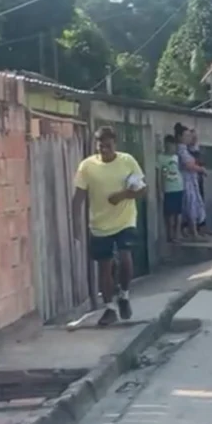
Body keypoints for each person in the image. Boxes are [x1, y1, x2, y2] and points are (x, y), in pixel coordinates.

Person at [71, 126, 146, 326]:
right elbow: (78, 197)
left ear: (115, 144)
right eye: (100, 146)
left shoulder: (127, 161)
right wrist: (76, 224)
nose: (104, 150)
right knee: (104, 266)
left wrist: (121, 196)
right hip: (100, 223)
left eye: (108, 146)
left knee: (125, 256)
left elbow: (141, 190)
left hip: (125, 219)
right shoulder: (87, 166)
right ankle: (109, 308)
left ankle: (124, 294)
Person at [175, 123, 208, 240]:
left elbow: (195, 151)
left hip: (192, 181)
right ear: (180, 137)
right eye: (186, 136)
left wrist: (195, 137)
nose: (189, 138)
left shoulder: (187, 149)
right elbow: (189, 165)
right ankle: (193, 232)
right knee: (190, 206)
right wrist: (201, 169)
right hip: (186, 181)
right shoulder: (180, 149)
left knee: (195, 205)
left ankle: (192, 231)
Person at [158, 134, 184, 242]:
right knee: (169, 214)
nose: (172, 148)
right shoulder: (161, 158)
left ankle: (177, 234)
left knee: (178, 213)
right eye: (169, 145)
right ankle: (170, 235)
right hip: (168, 189)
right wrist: (161, 190)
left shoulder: (176, 157)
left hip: (178, 187)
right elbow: (160, 174)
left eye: (173, 146)